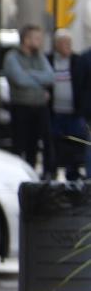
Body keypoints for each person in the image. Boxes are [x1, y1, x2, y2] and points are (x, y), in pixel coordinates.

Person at [3, 24, 54, 173]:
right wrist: (39, 81)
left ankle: (34, 174)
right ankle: (16, 174)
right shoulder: (12, 57)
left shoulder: (39, 56)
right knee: (20, 144)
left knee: (36, 145)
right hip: (21, 106)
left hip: (39, 107)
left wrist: (30, 73)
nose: (39, 41)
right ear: (26, 39)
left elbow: (50, 77)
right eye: (36, 38)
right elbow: (19, 79)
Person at [48, 29, 91, 180]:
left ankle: (73, 173)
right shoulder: (49, 60)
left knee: (76, 145)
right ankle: (51, 171)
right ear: (56, 45)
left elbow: (85, 86)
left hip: (75, 113)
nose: (67, 46)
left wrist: (82, 109)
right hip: (55, 112)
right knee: (55, 144)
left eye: (69, 43)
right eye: (63, 43)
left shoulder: (78, 61)